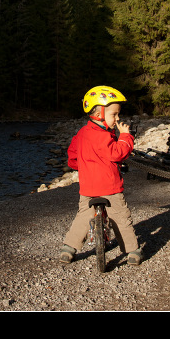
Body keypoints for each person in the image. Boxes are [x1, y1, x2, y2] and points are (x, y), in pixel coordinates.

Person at [58, 86, 143, 266]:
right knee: (121, 218)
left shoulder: (81, 134)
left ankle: (69, 248)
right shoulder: (104, 136)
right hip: (110, 188)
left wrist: (83, 165)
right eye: (114, 114)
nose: (118, 118)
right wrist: (126, 137)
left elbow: (72, 158)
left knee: (83, 216)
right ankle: (132, 251)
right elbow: (118, 153)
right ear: (98, 114)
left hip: (87, 188)